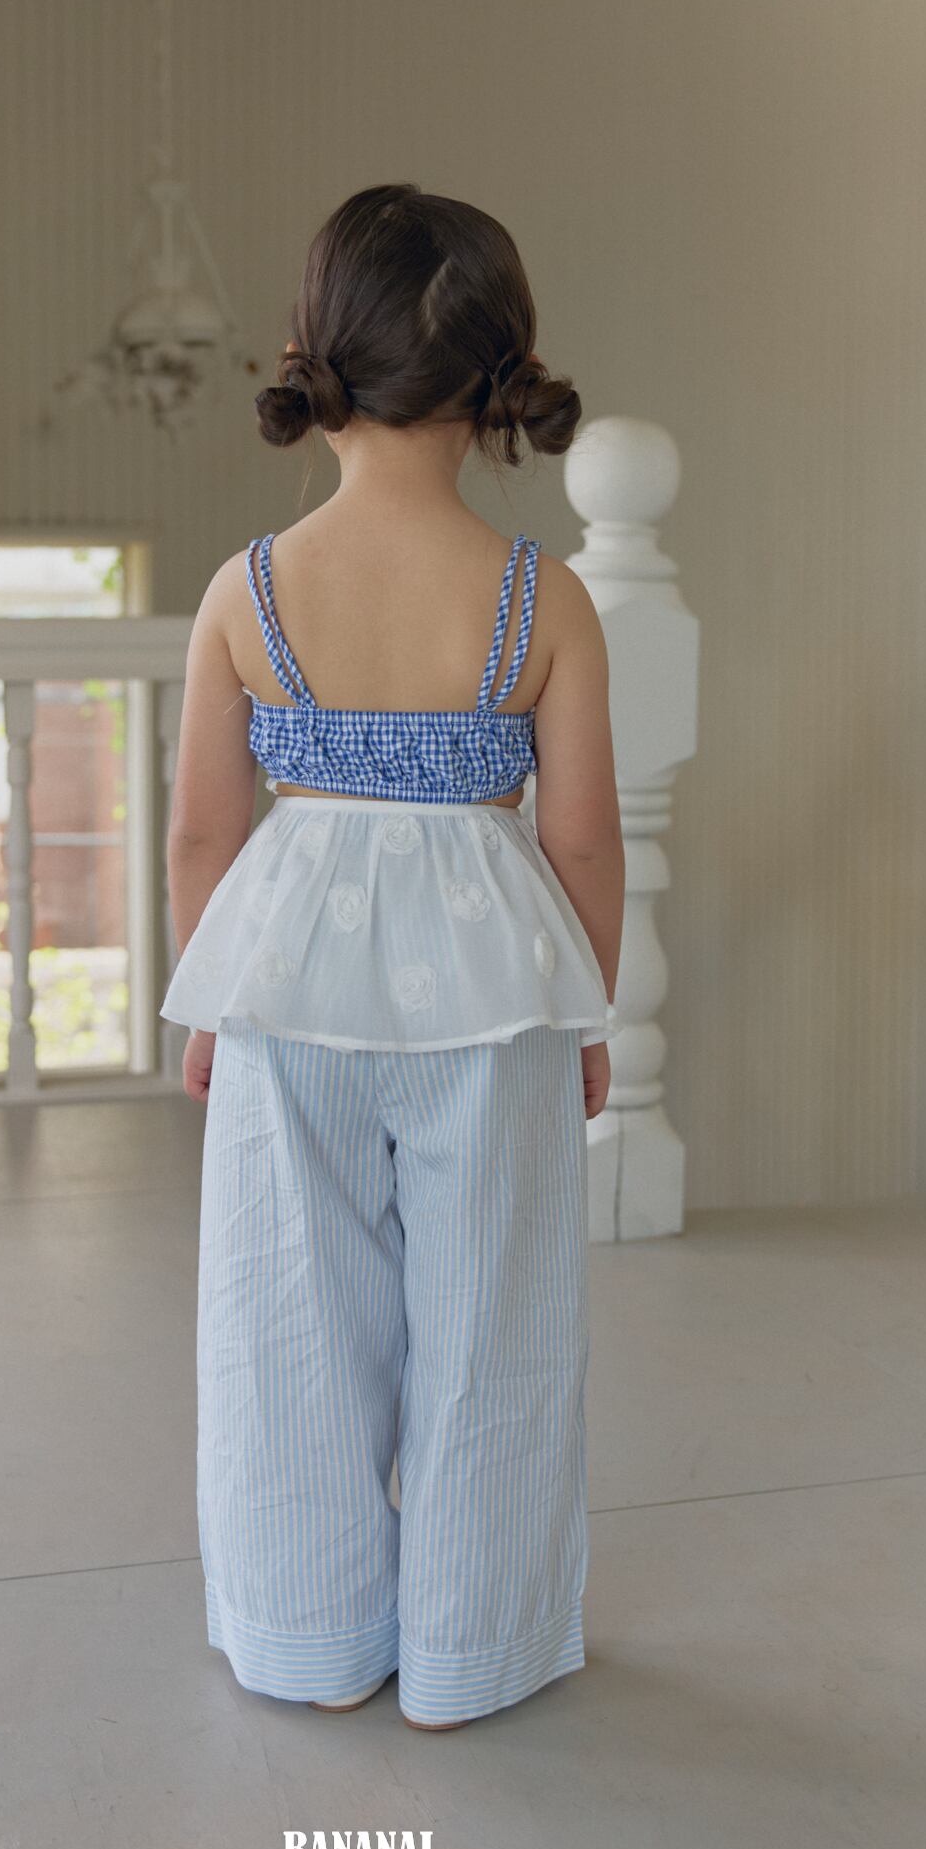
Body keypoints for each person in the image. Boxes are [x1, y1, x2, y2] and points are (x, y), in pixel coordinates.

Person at [161, 183, 625, 1732]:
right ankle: (475, 1650)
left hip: (291, 990)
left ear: (318, 358)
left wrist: (212, 998)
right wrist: (586, 1012)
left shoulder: (248, 591)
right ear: (499, 378)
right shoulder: (542, 599)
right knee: (497, 1326)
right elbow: (581, 843)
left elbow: (202, 835)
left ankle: (303, 1635)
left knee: (288, 1319)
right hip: (492, 1001)